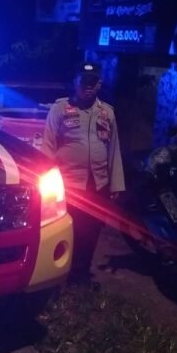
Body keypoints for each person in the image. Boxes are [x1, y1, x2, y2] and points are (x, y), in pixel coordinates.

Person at [42, 61, 125, 282]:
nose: (88, 86)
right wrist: (46, 182)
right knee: (67, 229)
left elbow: (114, 149)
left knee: (92, 230)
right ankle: (62, 273)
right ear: (75, 82)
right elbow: (48, 146)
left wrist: (116, 184)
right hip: (69, 183)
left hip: (98, 184)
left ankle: (81, 273)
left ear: (99, 84)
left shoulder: (107, 113)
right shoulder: (60, 109)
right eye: (84, 81)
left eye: (93, 81)